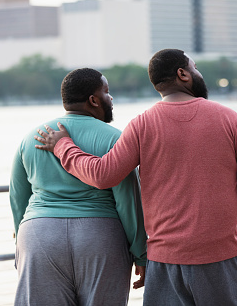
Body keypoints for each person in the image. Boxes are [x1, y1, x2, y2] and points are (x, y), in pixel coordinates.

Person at [34, 49, 237, 305]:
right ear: (183, 74)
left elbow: (102, 174)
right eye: (195, 68)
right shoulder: (228, 119)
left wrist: (63, 145)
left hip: (165, 264)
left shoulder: (142, 124)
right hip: (220, 259)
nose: (199, 74)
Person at [10, 68, 147, 306]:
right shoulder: (115, 139)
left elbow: (18, 198)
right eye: (107, 91)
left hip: (39, 235)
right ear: (93, 100)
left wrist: (22, 244)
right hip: (99, 237)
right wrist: (141, 254)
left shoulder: (32, 136)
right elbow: (128, 202)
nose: (111, 98)